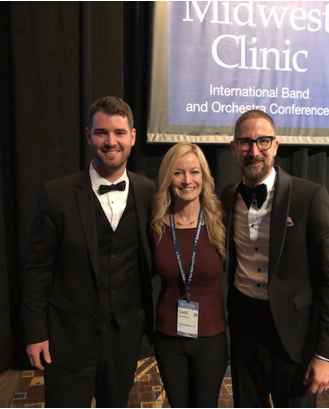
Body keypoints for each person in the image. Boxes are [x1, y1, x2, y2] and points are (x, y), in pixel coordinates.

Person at [21, 96, 157, 407]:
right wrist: (35, 332)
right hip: (67, 336)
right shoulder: (56, 195)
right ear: (88, 135)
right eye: (102, 133)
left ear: (133, 137)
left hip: (123, 337)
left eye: (120, 133)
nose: (111, 142)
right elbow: (37, 269)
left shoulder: (148, 191)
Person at [222, 110, 329, 407]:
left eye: (263, 141)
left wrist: (327, 354)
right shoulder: (227, 197)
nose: (254, 151)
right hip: (243, 329)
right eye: (245, 142)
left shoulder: (309, 196)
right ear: (233, 148)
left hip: (294, 337)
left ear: (276, 146)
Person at [150, 142, 229, 407]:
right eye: (178, 173)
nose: (187, 180)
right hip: (168, 338)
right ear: (167, 178)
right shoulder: (155, 225)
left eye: (194, 172)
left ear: (204, 177)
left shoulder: (220, 221)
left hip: (211, 337)